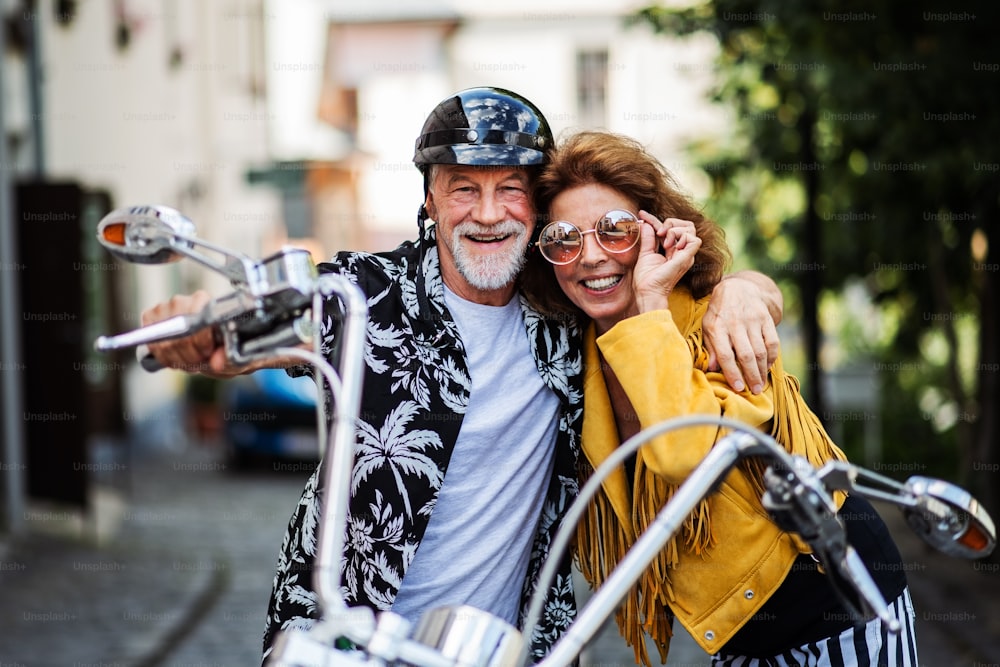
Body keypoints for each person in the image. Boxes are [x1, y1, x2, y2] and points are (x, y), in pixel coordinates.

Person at [140, 88, 784, 662]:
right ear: (430, 199)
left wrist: (744, 289)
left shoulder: (565, 303)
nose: (487, 213)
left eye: (510, 188)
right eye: (463, 187)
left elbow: (674, 296)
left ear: (536, 207)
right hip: (350, 638)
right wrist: (201, 321)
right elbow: (281, 314)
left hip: (507, 645)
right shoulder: (368, 293)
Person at [521, 130, 918, 666]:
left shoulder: (719, 321)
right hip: (737, 637)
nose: (589, 256)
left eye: (614, 230)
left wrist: (664, 295)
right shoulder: (574, 352)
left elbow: (683, 453)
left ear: (656, 231)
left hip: (840, 603)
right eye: (564, 239)